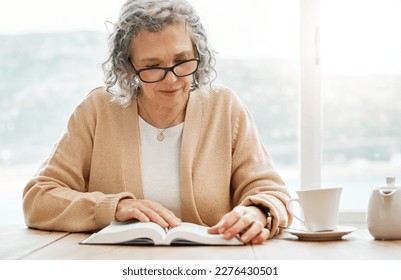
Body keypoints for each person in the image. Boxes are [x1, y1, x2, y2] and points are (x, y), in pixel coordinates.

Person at [22, 0, 292, 244]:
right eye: (152, 66)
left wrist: (258, 211)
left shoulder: (224, 107)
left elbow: (273, 193)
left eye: (182, 60)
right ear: (128, 66)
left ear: (198, 52)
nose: (171, 79)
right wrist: (113, 207)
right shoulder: (97, 110)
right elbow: (39, 199)